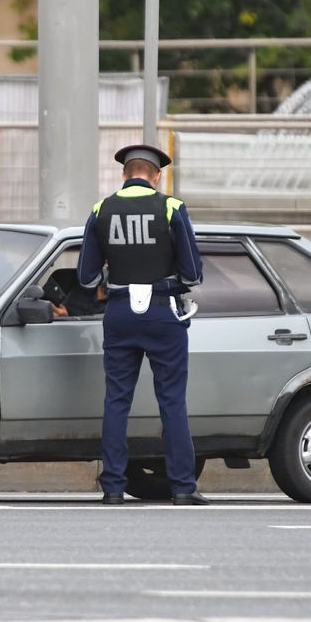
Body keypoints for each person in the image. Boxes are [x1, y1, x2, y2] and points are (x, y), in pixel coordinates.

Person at [77, 143, 207, 506]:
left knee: (116, 400)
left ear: (125, 174)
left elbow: (86, 276)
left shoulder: (101, 209)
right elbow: (193, 273)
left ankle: (113, 487)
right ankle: (183, 486)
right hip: (163, 311)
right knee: (172, 402)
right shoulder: (171, 207)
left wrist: (110, 278)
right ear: (156, 176)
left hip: (119, 313)